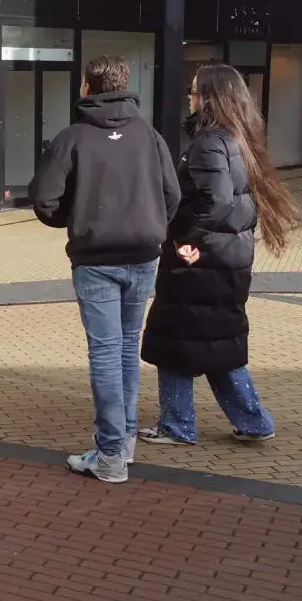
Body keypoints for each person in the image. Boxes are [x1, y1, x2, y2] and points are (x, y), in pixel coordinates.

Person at [29, 55, 180, 484]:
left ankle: (111, 454)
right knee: (126, 349)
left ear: (87, 88)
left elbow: (44, 199)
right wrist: (149, 227)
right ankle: (123, 443)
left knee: (106, 354)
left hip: (95, 260)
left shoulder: (72, 138)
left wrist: (76, 221)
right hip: (142, 255)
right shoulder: (150, 137)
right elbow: (172, 195)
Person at [139, 64, 297, 447]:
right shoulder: (239, 138)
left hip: (200, 261)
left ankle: (177, 424)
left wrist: (185, 240)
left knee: (176, 340)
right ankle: (254, 421)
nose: (189, 97)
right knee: (216, 341)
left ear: (211, 96)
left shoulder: (210, 142)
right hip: (227, 257)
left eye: (194, 91)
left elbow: (216, 200)